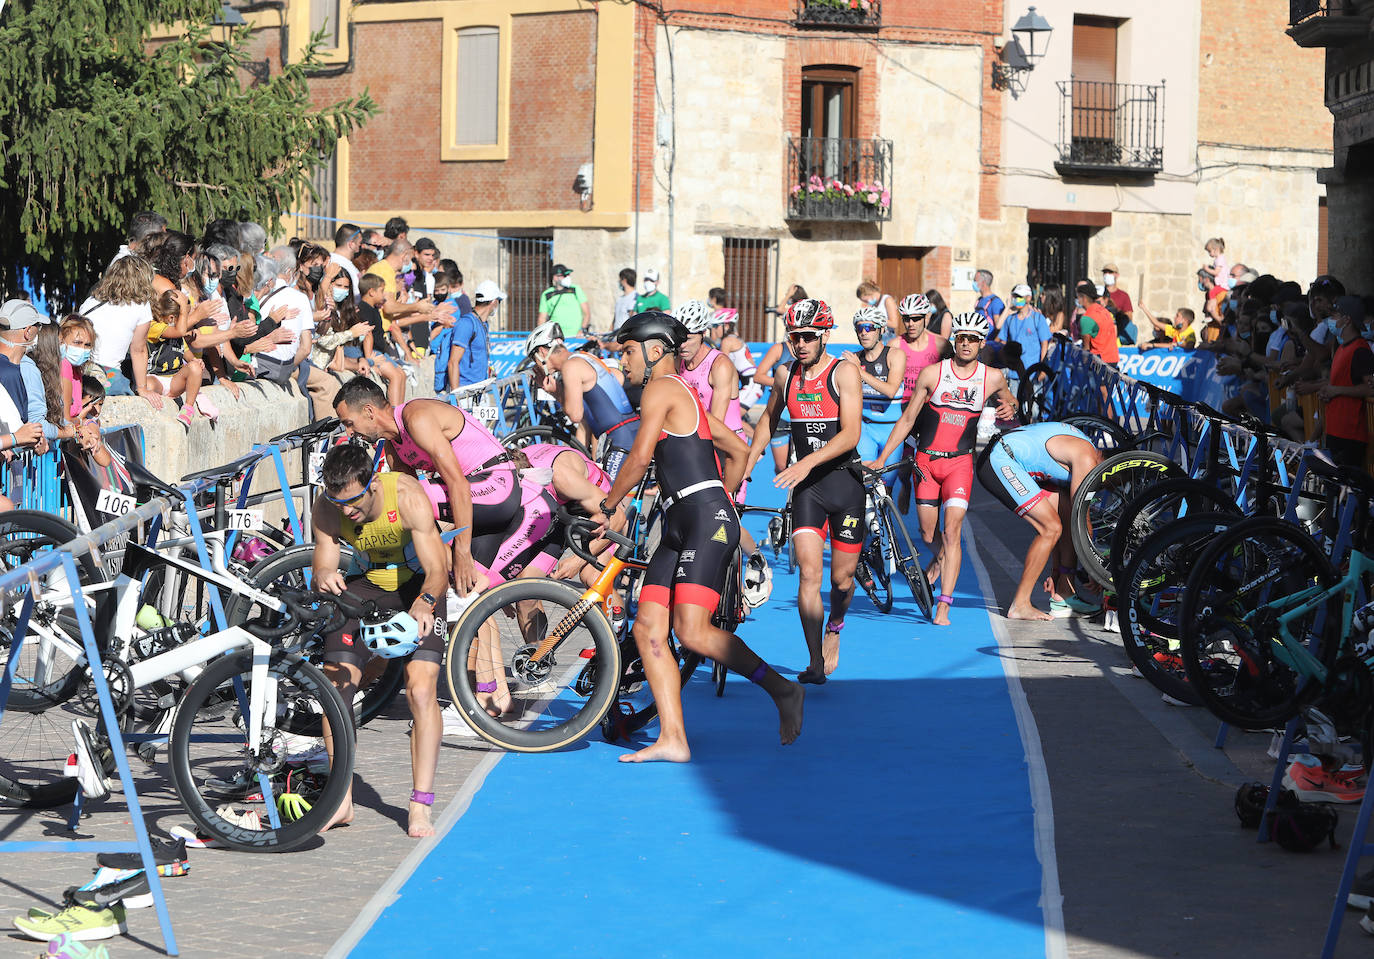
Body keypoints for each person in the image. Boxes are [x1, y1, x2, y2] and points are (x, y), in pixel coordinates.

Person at [592, 310, 804, 762]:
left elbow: (639, 456)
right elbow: (739, 448)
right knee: (649, 629)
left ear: (653, 351)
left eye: (628, 351)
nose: (623, 361)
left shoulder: (660, 388)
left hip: (702, 520)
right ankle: (673, 739)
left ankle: (783, 689)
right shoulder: (683, 391)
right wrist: (723, 496)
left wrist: (609, 505)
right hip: (684, 521)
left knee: (693, 632)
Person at [311, 442, 450, 838]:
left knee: (421, 691)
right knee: (334, 690)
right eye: (340, 504)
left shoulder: (406, 496)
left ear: (373, 483)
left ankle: (419, 806)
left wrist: (424, 604)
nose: (347, 511)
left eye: (354, 502)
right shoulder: (327, 507)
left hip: (416, 589)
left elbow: (437, 570)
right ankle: (341, 800)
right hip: (365, 587)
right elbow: (325, 557)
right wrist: (323, 575)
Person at [868, 312, 1016, 626]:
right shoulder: (933, 374)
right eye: (961, 338)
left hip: (960, 465)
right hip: (926, 463)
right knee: (926, 534)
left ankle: (944, 607)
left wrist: (1010, 406)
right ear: (955, 340)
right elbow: (907, 420)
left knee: (952, 534)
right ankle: (938, 565)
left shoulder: (992, 377)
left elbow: (1009, 400)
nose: (966, 344)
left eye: (972, 339)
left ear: (981, 343)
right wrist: (882, 460)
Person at [745, 299, 864, 680]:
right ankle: (814, 662)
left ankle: (836, 627)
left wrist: (805, 462)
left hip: (844, 484)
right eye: (795, 337)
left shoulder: (844, 372)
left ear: (825, 335)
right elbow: (767, 421)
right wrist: (747, 467)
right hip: (807, 490)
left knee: (841, 580)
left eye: (809, 337)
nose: (801, 344)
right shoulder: (785, 375)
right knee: (810, 576)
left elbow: (851, 434)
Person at [332, 378, 523, 602]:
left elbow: (457, 483)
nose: (349, 432)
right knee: (467, 600)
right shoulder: (392, 445)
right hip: (478, 502)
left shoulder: (416, 417)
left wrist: (460, 552)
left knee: (397, 495)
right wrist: (443, 555)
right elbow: (420, 512)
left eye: (349, 423)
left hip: (497, 485)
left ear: (368, 412)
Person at [974, 422, 1104, 621]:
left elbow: (1070, 514)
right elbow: (1082, 516)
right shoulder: (1087, 458)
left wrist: (1056, 570)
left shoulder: (1082, 446)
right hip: (1000, 459)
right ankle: (1020, 605)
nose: (1103, 489)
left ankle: (1064, 594)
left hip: (1008, 457)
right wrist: (1096, 568)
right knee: (1050, 528)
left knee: (1066, 509)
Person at [675, 300, 763, 562]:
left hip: (727, 448)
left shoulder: (719, 364)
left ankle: (757, 559)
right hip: (696, 442)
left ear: (702, 333)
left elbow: (717, 422)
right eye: (678, 337)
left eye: (688, 338)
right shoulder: (679, 362)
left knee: (726, 519)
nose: (682, 344)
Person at [525, 321, 640, 478]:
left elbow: (575, 415)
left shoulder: (570, 367)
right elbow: (586, 420)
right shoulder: (584, 357)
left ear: (542, 352)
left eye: (534, 358)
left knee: (609, 502)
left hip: (621, 440)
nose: (536, 365)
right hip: (624, 435)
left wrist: (556, 391)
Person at [80, 256, 158, 400]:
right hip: (107, 373)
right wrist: (142, 388)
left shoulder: (91, 301)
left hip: (80, 370)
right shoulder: (141, 306)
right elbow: (138, 350)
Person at [845, 305, 907, 470]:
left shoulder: (895, 355)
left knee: (886, 487)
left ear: (882, 330)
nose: (864, 332)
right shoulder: (854, 358)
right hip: (865, 428)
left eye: (869, 327)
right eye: (860, 328)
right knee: (866, 477)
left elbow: (890, 391)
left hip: (891, 430)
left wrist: (859, 371)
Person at [1317, 295, 1374, 469]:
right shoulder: (1342, 347)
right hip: (1335, 428)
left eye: (1335, 316)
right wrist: (1328, 391)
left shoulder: (1360, 350)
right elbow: (1340, 382)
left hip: (1351, 432)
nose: (1331, 320)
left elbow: (1370, 389)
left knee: (1349, 489)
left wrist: (1337, 390)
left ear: (1347, 319)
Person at [432, 280, 499, 392]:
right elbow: (453, 362)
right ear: (494, 302)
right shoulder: (466, 324)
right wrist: (456, 396)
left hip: (480, 388)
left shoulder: (483, 323)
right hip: (465, 390)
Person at [993, 283, 1050, 390]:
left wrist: (1042, 369)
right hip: (1014, 373)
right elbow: (1002, 341)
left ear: (1028, 298)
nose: (1016, 299)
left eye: (1019, 297)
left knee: (1034, 406)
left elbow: (1044, 344)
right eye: (1015, 297)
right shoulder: (1010, 319)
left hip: (1033, 372)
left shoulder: (1037, 318)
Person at [57, 314, 95, 427]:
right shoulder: (64, 365)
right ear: (61, 340)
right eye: (77, 343)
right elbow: (66, 420)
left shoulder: (77, 370)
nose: (82, 349)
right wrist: (83, 421)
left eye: (87, 345)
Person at [537, 264, 590, 338]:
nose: (567, 277)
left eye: (568, 275)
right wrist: (542, 335)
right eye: (564, 275)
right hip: (556, 337)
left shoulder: (575, 289)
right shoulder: (547, 294)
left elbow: (587, 313)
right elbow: (542, 318)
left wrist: (582, 329)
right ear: (555, 277)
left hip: (576, 336)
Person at [1075, 281, 1119, 368]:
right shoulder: (1105, 311)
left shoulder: (1087, 318)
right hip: (1113, 359)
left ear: (1083, 298)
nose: (1076, 300)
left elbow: (1086, 348)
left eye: (1077, 297)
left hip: (1099, 361)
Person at [330, 224, 363, 293]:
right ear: (351, 244)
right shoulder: (349, 269)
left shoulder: (325, 260)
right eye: (359, 244)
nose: (360, 247)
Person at [1100, 263, 1134, 332]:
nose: (1107, 274)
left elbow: (1129, 317)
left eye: (1110, 272)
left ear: (1117, 275)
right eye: (1105, 272)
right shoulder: (1098, 293)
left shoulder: (1124, 295)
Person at [609, 268, 637, 337]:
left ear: (624, 281)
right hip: (615, 337)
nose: (619, 282)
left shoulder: (635, 298)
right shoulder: (620, 299)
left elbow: (632, 319)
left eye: (620, 280)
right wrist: (609, 333)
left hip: (624, 337)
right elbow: (615, 318)